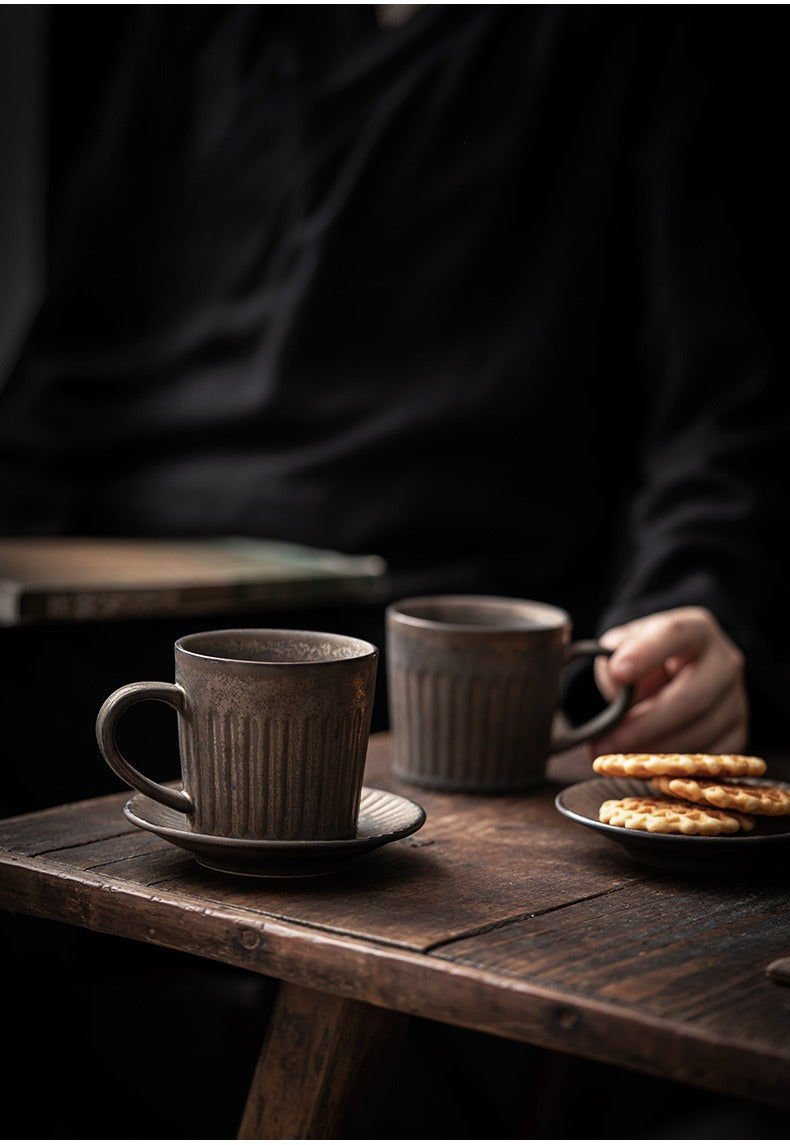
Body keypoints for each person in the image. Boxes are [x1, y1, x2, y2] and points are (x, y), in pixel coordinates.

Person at [1, 8, 789, 1139]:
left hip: (415, 624)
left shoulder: (648, 38)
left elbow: (732, 414)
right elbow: (54, 386)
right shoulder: (190, 30)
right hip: (95, 603)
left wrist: (700, 596)